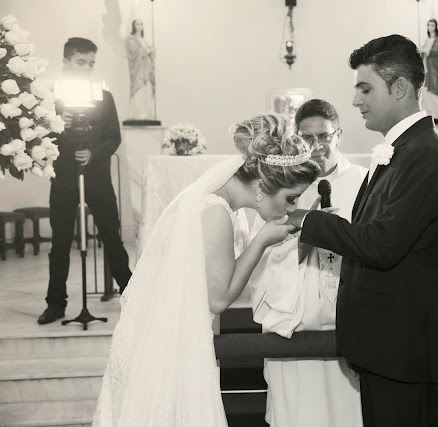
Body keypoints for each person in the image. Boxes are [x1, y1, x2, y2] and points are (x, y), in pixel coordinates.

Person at [92, 113, 319, 426]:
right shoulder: (215, 212)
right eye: (291, 198)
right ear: (264, 183)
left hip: (176, 336)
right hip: (177, 348)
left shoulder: (218, 203)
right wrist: (262, 241)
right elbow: (218, 299)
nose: (292, 207)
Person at [287, 35, 438, 427]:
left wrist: (307, 220)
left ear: (399, 88)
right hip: (386, 348)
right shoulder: (401, 151)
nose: (355, 100)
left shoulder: (425, 155)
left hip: (406, 354)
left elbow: (382, 245)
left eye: (365, 89)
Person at [248, 99, 367, 427]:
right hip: (293, 315)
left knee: (348, 411)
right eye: (307, 137)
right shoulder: (281, 183)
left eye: (324, 136)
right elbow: (261, 251)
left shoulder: (365, 181)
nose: (316, 146)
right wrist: (302, 231)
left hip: (345, 313)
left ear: (338, 135)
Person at [37, 37, 132, 325]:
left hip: (98, 177)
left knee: (112, 238)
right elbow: (39, 140)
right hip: (64, 178)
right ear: (65, 62)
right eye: (81, 62)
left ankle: (132, 296)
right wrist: (56, 124)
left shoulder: (103, 95)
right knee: (60, 243)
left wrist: (93, 153)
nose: (86, 68)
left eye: (91, 63)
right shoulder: (48, 97)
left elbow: (113, 136)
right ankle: (56, 303)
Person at [126, 19, 155, 121]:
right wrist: (147, 51)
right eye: (137, 24)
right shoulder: (131, 39)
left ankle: (146, 113)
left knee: (146, 90)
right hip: (138, 70)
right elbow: (135, 52)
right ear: (134, 26)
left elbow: (149, 54)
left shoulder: (144, 40)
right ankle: (138, 114)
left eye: (141, 24)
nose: (140, 26)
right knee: (139, 89)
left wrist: (151, 51)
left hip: (146, 69)